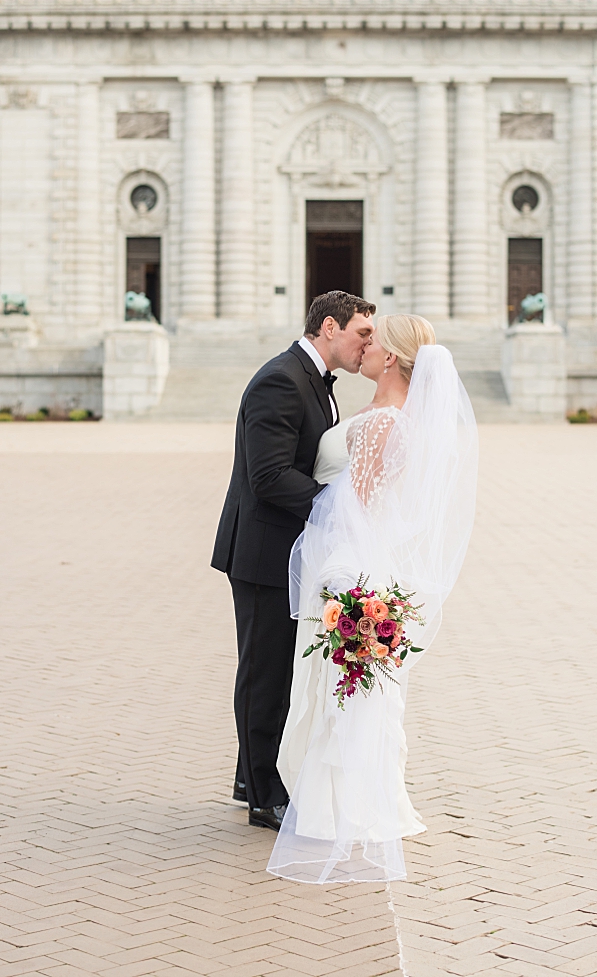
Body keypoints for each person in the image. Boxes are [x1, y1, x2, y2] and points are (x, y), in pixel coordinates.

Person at [269, 315, 477, 883]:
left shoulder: (383, 422)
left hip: (352, 563)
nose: (366, 343)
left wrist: (335, 573)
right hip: (365, 560)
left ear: (391, 359)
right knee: (355, 689)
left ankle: (343, 803)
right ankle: (354, 796)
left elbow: (352, 507)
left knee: (344, 689)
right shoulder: (391, 418)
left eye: (375, 338)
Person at [211, 291, 376, 831]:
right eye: (361, 334)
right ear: (330, 327)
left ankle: (249, 778)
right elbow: (269, 475)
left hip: (288, 550)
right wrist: (339, 508)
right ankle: (263, 796)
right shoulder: (281, 379)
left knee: (277, 670)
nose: (367, 345)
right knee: (264, 674)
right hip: (262, 552)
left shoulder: (316, 384)